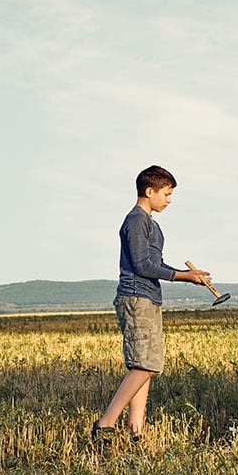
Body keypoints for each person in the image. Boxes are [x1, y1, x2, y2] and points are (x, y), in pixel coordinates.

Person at [92, 165, 212, 444]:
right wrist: (184, 276)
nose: (169, 200)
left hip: (149, 297)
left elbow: (155, 264)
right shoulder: (136, 221)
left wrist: (189, 276)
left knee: (146, 364)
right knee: (145, 365)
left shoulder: (152, 224)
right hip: (136, 297)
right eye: (166, 194)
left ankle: (135, 430)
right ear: (149, 191)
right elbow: (142, 265)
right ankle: (105, 423)